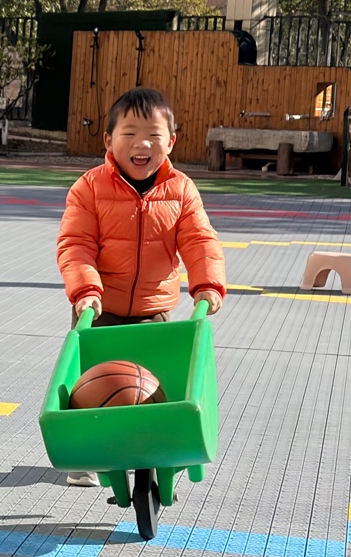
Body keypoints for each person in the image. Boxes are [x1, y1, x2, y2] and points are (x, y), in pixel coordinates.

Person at [56, 86, 226, 488]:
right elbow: (75, 244)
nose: (142, 144)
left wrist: (207, 284)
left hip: (154, 310)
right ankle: (86, 452)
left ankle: (151, 450)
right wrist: (86, 291)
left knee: (152, 387)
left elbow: (200, 240)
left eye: (153, 134)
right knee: (91, 385)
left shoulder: (181, 190)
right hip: (99, 308)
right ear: (108, 141)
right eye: (129, 133)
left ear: (172, 141)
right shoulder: (89, 188)